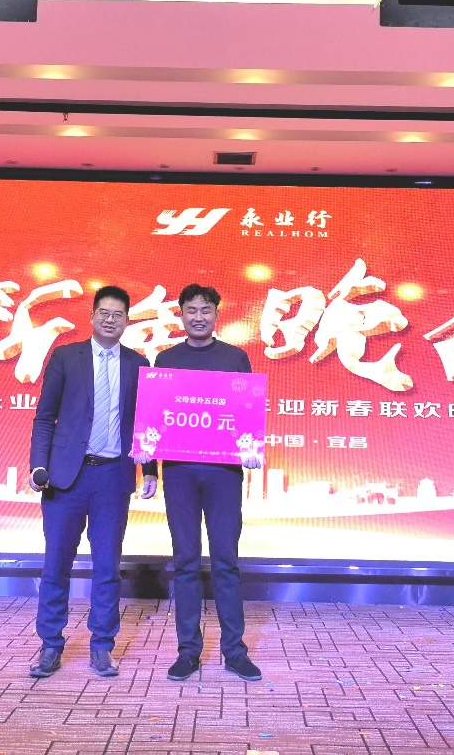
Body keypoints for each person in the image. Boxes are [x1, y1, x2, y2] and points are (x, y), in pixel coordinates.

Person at [28, 285, 158, 679]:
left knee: (107, 568)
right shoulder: (66, 357)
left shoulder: (138, 363)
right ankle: (50, 645)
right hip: (66, 479)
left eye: (118, 314)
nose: (110, 319)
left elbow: (146, 423)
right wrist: (38, 466)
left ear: (127, 320)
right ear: (92, 316)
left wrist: (150, 469)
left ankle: (102, 646)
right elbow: (44, 417)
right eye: (104, 312)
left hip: (112, 477)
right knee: (56, 565)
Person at [151, 283, 262, 682]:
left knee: (226, 562)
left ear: (216, 314)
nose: (198, 317)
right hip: (179, 472)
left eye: (206, 310)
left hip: (223, 473)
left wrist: (252, 446)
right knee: (185, 562)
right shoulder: (166, 359)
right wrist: (150, 470)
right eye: (191, 310)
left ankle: (235, 652)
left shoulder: (235, 358)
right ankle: (188, 652)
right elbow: (154, 418)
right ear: (180, 314)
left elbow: (247, 410)